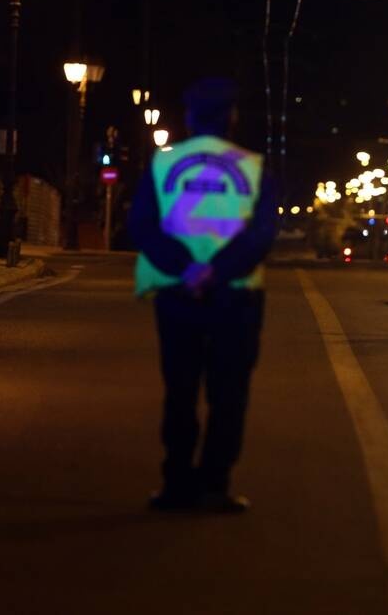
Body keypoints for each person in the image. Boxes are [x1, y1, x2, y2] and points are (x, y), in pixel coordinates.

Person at [129, 77, 278, 513]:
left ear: (190, 117)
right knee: (228, 393)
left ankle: (176, 484)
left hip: (176, 294)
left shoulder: (163, 165)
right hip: (236, 296)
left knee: (180, 390)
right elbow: (261, 235)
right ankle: (215, 486)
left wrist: (187, 269)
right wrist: (217, 271)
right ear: (232, 117)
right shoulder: (253, 168)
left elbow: (142, 225)